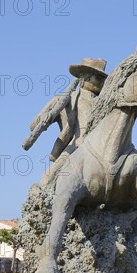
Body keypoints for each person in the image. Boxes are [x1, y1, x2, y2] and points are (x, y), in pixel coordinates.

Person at [22, 58, 108, 187]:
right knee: (50, 177)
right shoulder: (64, 98)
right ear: (85, 77)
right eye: (98, 78)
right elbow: (33, 125)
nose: (101, 82)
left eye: (102, 79)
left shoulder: (104, 103)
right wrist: (46, 117)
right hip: (76, 145)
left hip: (102, 147)